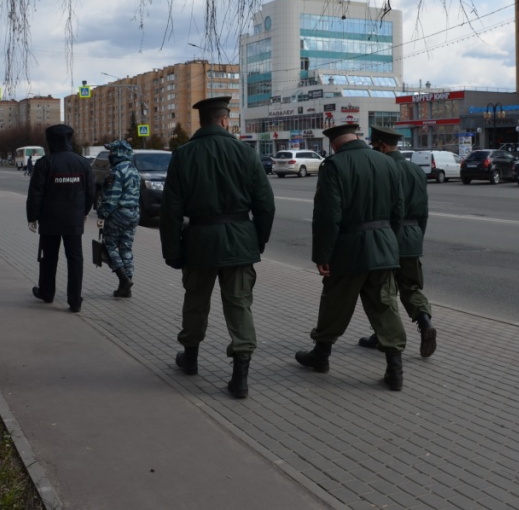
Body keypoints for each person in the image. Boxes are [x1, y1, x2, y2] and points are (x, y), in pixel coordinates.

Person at [160, 96, 275, 399]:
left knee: (196, 302)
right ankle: (240, 377)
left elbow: (170, 210)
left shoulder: (183, 155)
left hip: (199, 241)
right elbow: (265, 204)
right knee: (239, 305)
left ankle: (191, 359)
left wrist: (172, 251)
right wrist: (258, 241)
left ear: (202, 121)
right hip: (239, 241)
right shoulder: (245, 153)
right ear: (225, 120)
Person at [295, 123, 408, 391]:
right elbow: (398, 209)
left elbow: (327, 216)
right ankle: (395, 370)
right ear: (357, 137)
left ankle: (320, 356)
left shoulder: (334, 165)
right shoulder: (387, 162)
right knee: (385, 305)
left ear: (334, 144)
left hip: (347, 250)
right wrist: (387, 240)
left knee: (335, 303)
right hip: (383, 247)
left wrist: (322, 254)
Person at [358, 126, 436, 358]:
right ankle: (425, 323)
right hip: (412, 235)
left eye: (375, 147)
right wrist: (417, 237)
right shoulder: (415, 170)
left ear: (381, 146)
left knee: (383, 291)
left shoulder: (381, 168)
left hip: (387, 235)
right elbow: (423, 210)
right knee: (411, 287)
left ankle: (383, 335)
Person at [26, 124, 95, 312]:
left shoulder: (45, 163)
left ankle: (47, 293)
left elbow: (36, 194)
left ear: (50, 141)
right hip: (74, 219)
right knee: (75, 259)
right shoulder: (82, 163)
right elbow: (90, 192)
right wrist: (84, 212)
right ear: (69, 139)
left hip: (49, 219)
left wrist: (32, 217)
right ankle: (75, 301)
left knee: (49, 257)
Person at [96, 140, 141, 298]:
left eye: (111, 151)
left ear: (118, 153)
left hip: (118, 214)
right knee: (126, 248)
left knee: (110, 246)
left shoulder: (116, 172)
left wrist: (102, 214)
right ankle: (126, 287)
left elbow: (111, 199)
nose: (109, 154)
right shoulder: (134, 170)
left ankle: (123, 280)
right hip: (133, 214)